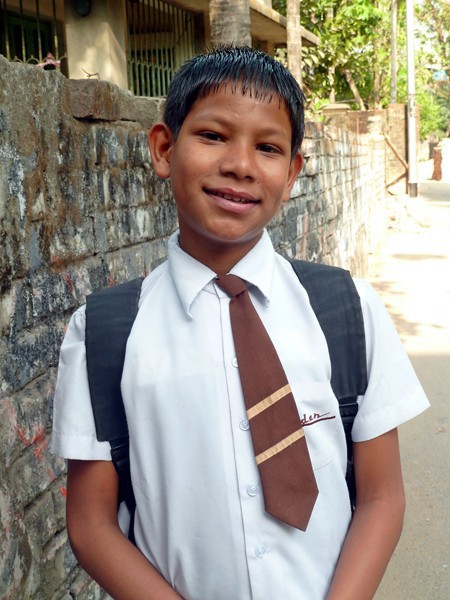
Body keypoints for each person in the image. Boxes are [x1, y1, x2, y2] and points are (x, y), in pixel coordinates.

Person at [52, 46, 429, 600]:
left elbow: (381, 497)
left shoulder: (348, 310)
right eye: (213, 136)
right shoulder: (105, 333)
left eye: (268, 147)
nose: (241, 165)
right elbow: (91, 524)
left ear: (293, 172)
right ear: (164, 149)